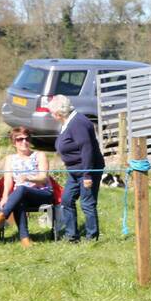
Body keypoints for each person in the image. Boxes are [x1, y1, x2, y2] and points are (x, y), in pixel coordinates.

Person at [51, 94, 105, 242]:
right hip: (74, 171)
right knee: (67, 200)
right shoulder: (68, 122)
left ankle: (91, 238)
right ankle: (71, 236)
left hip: (87, 170)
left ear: (58, 113)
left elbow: (86, 149)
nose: (51, 115)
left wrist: (87, 175)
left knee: (87, 203)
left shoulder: (78, 123)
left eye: (52, 113)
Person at [0, 127, 53, 247]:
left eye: (27, 138)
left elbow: (43, 178)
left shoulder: (39, 155)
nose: (24, 142)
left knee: (21, 189)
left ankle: (2, 216)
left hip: (42, 193)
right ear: (14, 142)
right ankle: (25, 239)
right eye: (19, 139)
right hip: (21, 196)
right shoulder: (10, 159)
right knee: (19, 198)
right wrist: (5, 196)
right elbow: (8, 180)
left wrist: (28, 178)